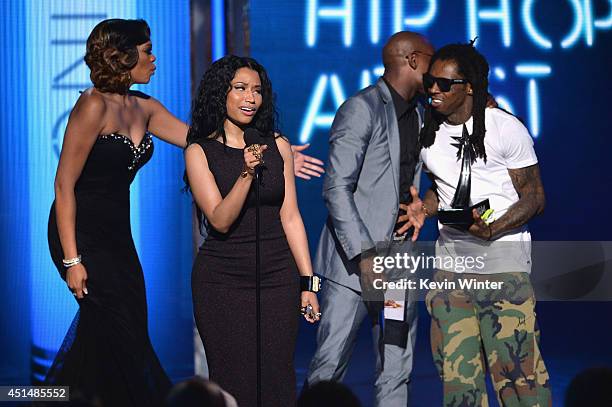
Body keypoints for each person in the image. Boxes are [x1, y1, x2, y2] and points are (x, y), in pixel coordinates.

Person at [47, 18, 324, 406]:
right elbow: (63, 185)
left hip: (117, 235)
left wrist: (278, 152)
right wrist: (73, 258)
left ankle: (71, 397)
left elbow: (203, 139)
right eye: (146, 51)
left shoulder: (144, 107)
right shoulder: (92, 105)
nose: (154, 58)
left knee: (119, 334)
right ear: (122, 57)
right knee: (116, 331)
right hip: (79, 231)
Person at [399, 42, 551, 406]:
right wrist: (426, 209)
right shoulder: (428, 131)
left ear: (469, 87)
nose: (434, 89)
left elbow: (534, 198)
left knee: (518, 380)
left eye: (445, 84)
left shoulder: (504, 128)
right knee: (458, 384)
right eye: (431, 81)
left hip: (503, 267)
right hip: (451, 270)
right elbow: (442, 187)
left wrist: (494, 228)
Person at [305, 31, 434, 406]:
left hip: (397, 262)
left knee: (396, 367)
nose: (437, 68)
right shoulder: (362, 107)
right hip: (353, 265)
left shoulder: (421, 114)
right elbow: (336, 188)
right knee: (329, 368)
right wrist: (365, 255)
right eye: (432, 59)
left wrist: (420, 208)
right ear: (412, 61)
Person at [184, 55, 321, 407]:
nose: (251, 98)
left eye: (257, 90)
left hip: (277, 277)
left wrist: (308, 283)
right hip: (222, 282)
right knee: (233, 383)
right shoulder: (199, 151)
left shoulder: (279, 146)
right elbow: (219, 219)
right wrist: (246, 173)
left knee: (277, 378)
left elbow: (291, 216)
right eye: (241, 89)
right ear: (221, 94)